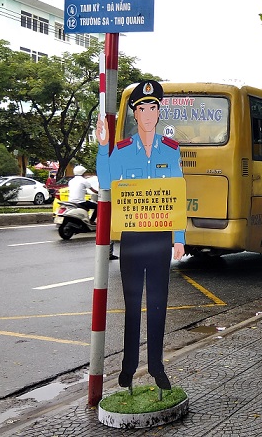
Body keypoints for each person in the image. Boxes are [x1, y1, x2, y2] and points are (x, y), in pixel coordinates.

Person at [96, 80, 185, 391]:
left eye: (153, 108)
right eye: (142, 109)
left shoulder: (172, 151)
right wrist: (100, 144)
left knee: (158, 303)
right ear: (135, 114)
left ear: (160, 113)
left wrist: (179, 237)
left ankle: (157, 367)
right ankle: (128, 366)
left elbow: (177, 196)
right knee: (132, 304)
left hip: (160, 238)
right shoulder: (121, 151)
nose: (148, 114)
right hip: (133, 239)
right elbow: (105, 179)